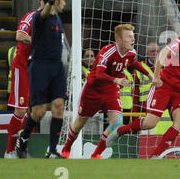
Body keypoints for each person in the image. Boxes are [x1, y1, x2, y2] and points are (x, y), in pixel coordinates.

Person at [106, 13, 180, 158]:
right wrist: (157, 76)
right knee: (149, 123)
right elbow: (163, 53)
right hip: (165, 85)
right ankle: (121, 131)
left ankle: (155, 157)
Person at [60, 24, 152, 159]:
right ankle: (66, 149)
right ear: (119, 40)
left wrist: (150, 75)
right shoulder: (107, 51)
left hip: (110, 90)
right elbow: (98, 73)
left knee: (117, 122)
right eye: (129, 37)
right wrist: (117, 80)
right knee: (80, 122)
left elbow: (133, 62)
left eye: (133, 36)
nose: (133, 40)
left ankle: (96, 154)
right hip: (93, 89)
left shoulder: (131, 52)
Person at [16, 0, 68, 158]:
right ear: (53, 1)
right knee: (38, 112)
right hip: (40, 67)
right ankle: (23, 139)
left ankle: (52, 150)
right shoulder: (40, 17)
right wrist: (51, 1)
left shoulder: (58, 19)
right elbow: (45, 12)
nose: (65, 3)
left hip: (56, 68)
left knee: (59, 107)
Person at [4, 0, 45, 158]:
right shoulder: (31, 16)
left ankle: (22, 148)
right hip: (22, 68)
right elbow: (20, 36)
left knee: (35, 111)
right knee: (20, 111)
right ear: (43, 2)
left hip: (36, 71)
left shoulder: (50, 24)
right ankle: (10, 151)